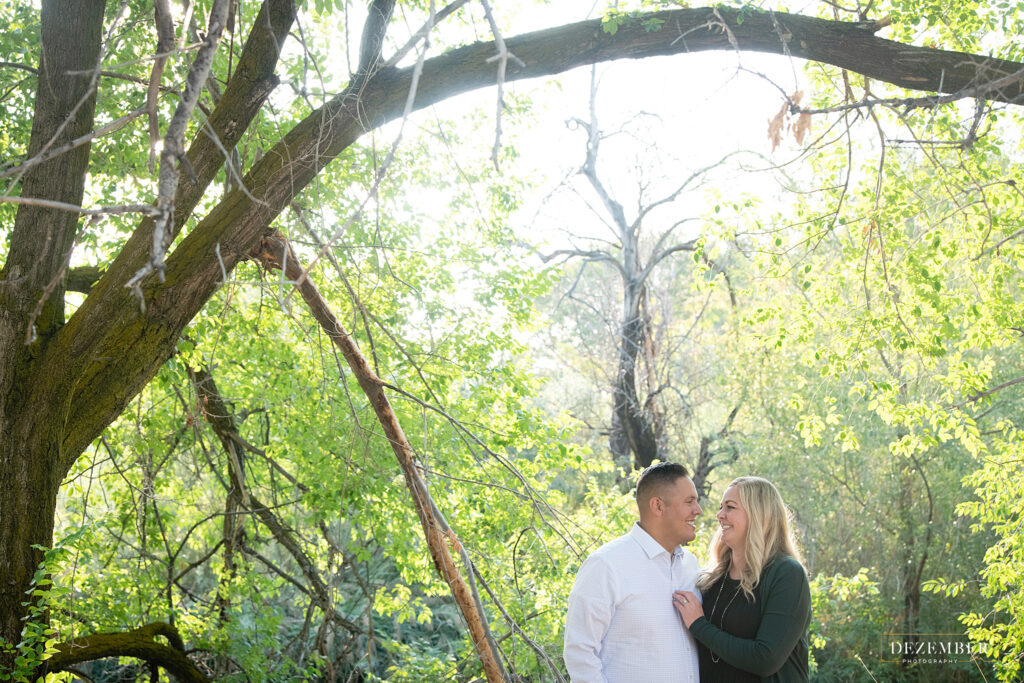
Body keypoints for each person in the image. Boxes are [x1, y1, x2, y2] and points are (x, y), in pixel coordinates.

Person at [563, 462, 703, 683]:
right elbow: (580, 653)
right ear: (658, 506)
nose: (698, 510)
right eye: (689, 502)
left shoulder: (691, 566)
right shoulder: (606, 565)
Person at [673, 476, 811, 682]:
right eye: (721, 507)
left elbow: (766, 659)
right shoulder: (712, 579)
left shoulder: (786, 574)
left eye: (730, 507)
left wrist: (699, 625)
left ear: (758, 515)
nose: (720, 515)